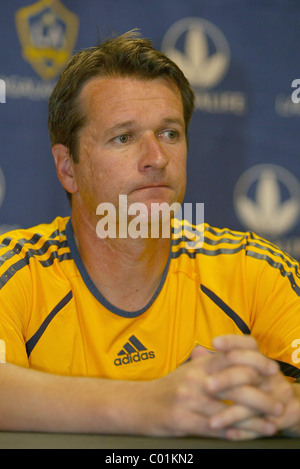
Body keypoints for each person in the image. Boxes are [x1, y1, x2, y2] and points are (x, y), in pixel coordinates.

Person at [0, 30, 300, 440]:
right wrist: (152, 406)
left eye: (169, 133)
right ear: (67, 167)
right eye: (123, 138)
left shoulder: (255, 270)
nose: (157, 158)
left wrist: (282, 403)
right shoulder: (16, 272)